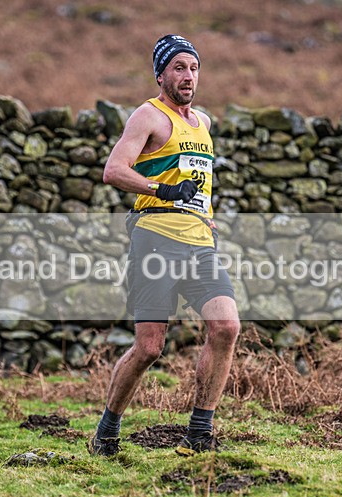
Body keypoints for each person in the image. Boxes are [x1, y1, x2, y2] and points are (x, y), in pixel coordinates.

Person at [88, 34, 240, 457]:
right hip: (155, 239)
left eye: (193, 67)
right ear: (160, 75)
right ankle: (107, 431)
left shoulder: (203, 124)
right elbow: (114, 170)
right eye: (178, 67)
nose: (188, 75)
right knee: (150, 347)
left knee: (226, 327)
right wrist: (161, 189)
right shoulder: (148, 115)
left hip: (199, 243)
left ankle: (198, 435)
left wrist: (204, 216)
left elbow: (199, 183)